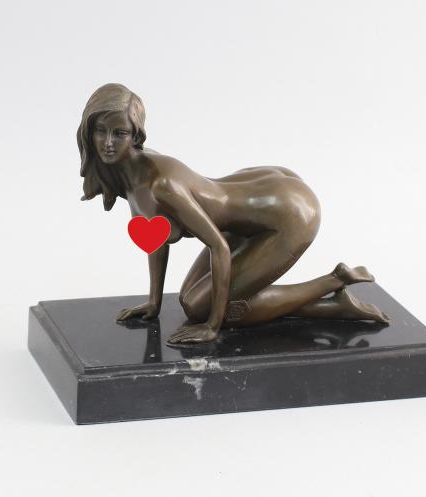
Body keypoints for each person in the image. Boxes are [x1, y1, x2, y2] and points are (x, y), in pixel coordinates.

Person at [78, 83, 388, 344]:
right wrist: (153, 303)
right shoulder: (131, 176)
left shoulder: (162, 185)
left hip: (287, 213)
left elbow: (219, 247)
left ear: (136, 135)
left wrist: (211, 326)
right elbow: (155, 234)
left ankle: (334, 281)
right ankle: (335, 305)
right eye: (100, 131)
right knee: (189, 299)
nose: (108, 143)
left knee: (201, 308)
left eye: (119, 133)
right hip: (248, 208)